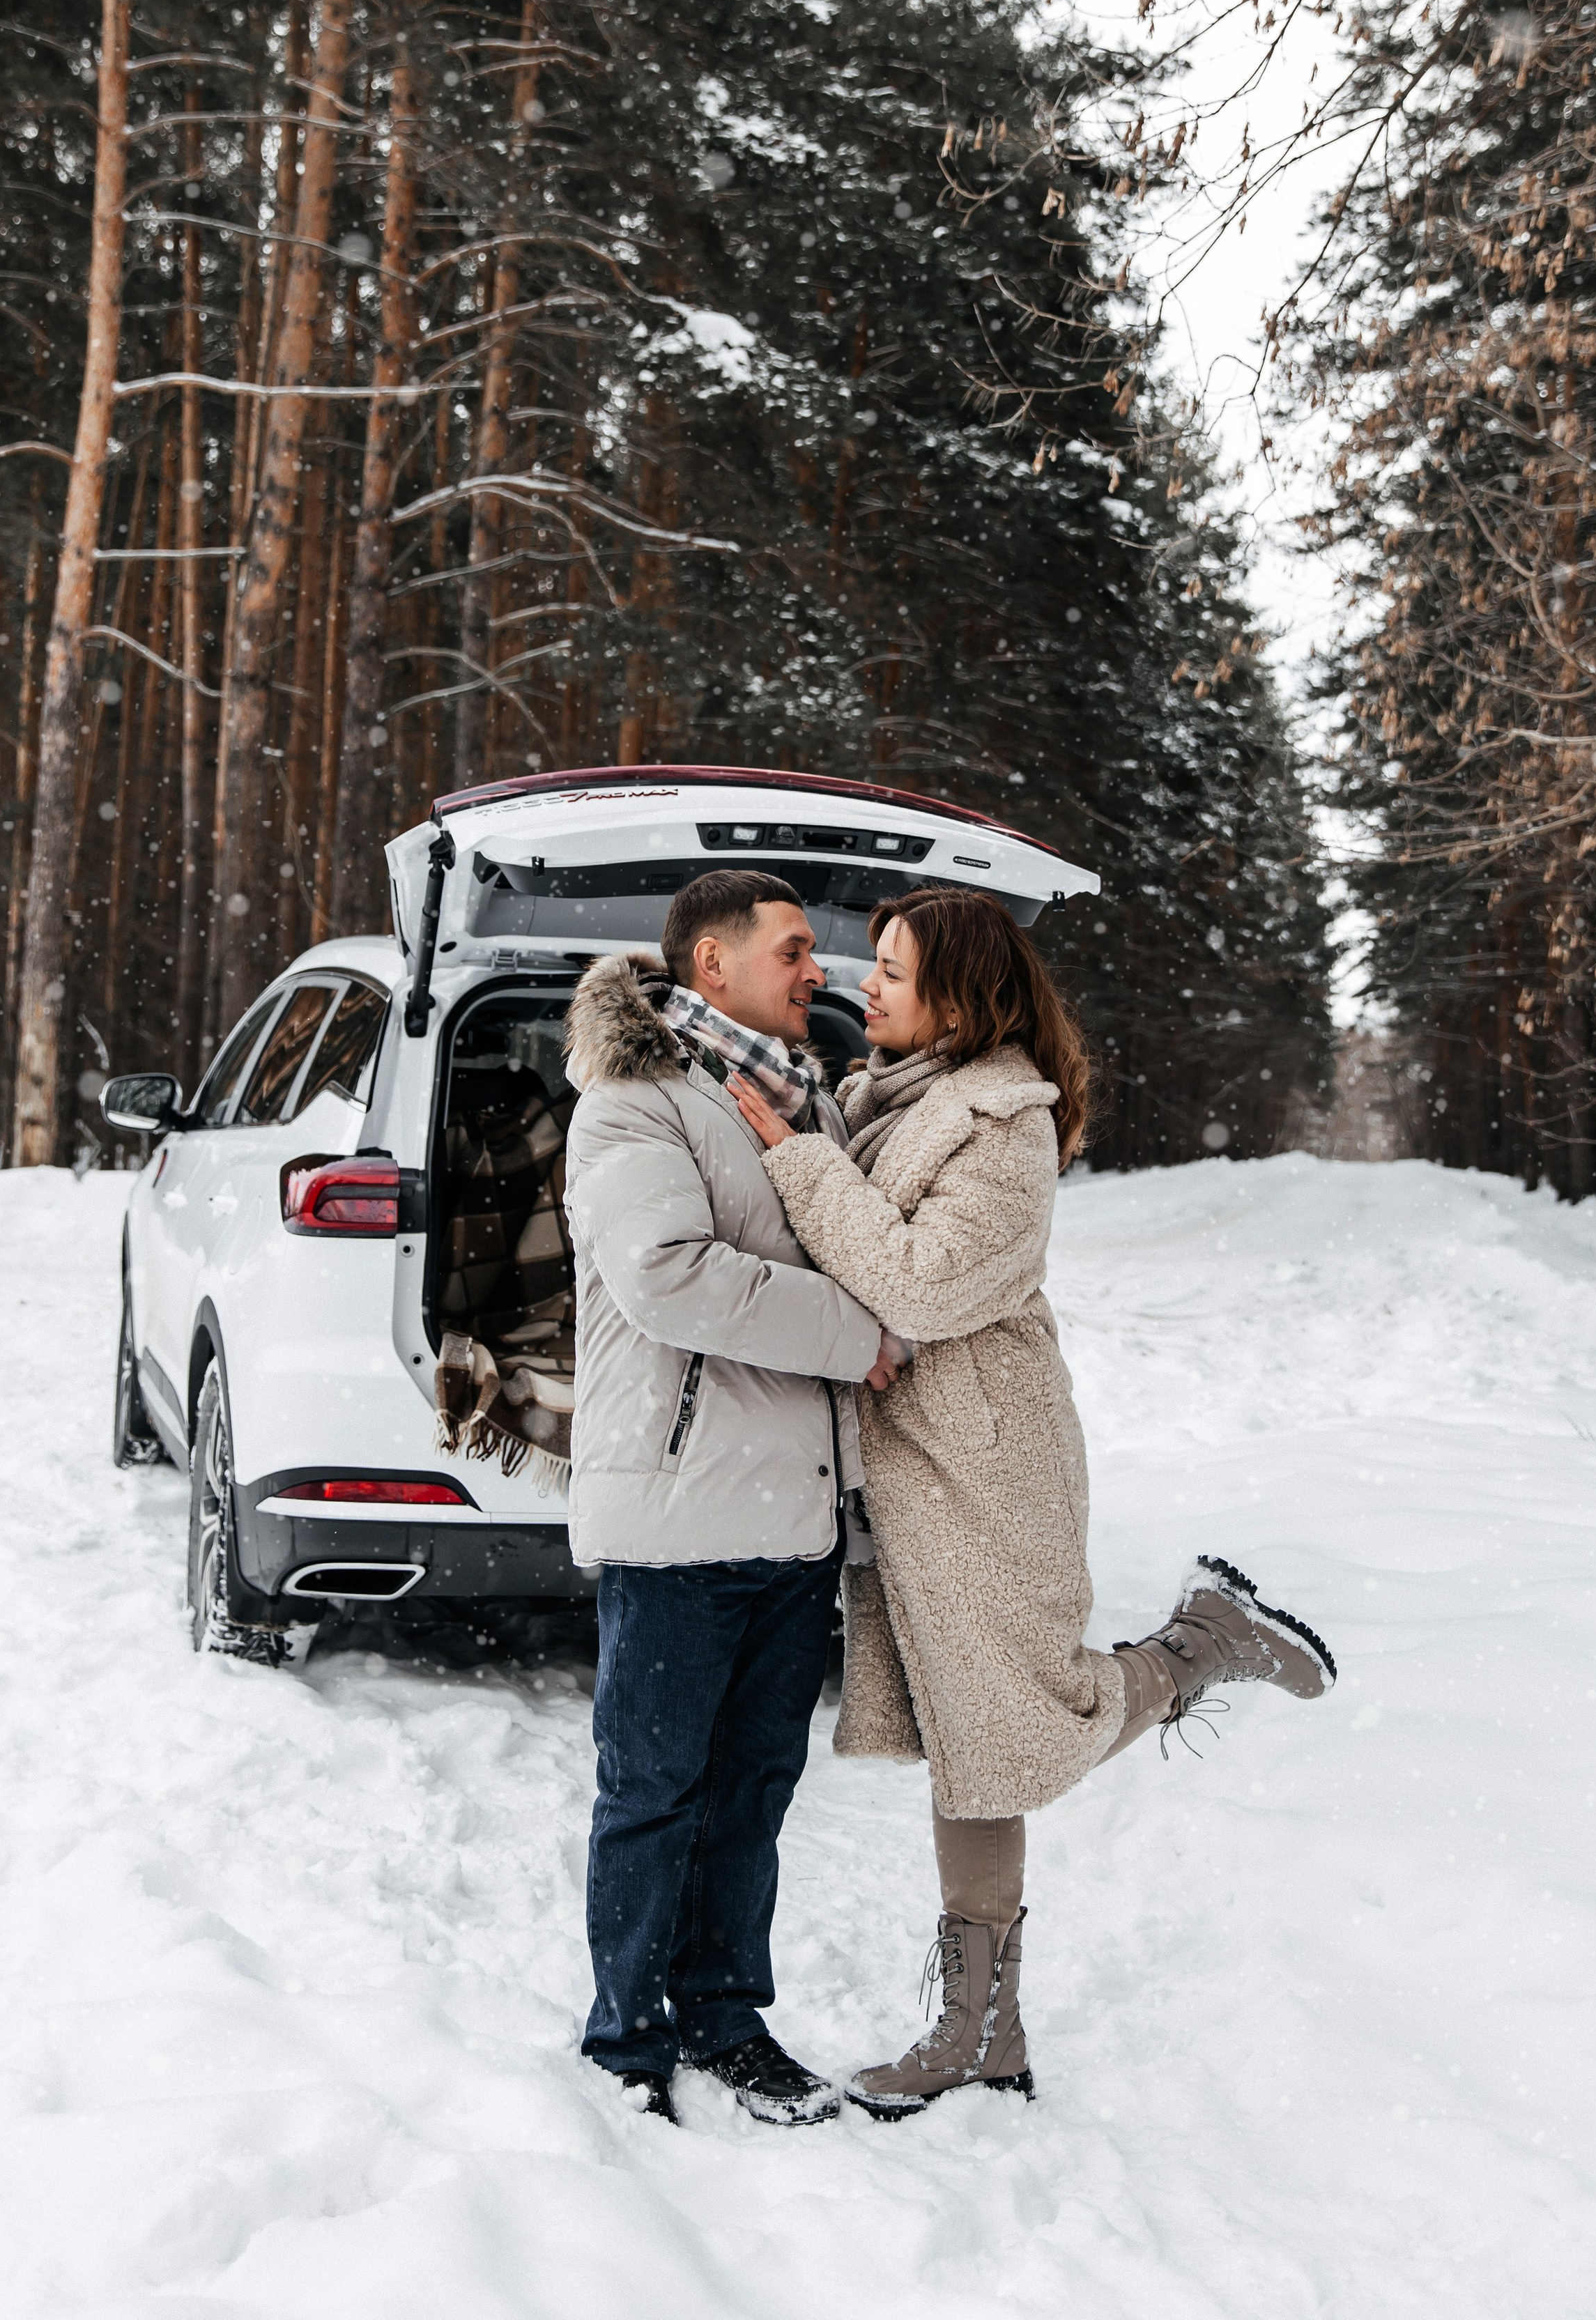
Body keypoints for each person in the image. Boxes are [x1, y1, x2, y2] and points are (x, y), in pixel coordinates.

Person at [728, 884, 1335, 2120]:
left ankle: (1196, 1650)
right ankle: (981, 2037)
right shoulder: (883, 1095)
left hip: (986, 1469)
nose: (866, 985)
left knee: (1010, 1729)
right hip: (912, 1467)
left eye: (891, 970)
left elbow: (919, 1281)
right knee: (976, 1748)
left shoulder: (1001, 1125)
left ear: (960, 996)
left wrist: (795, 1158)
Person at [562, 868, 905, 2128]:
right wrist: (855, 1326)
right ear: (712, 967)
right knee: (654, 1792)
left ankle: (725, 2015)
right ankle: (628, 2040)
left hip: (797, 1517)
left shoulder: (807, 1099)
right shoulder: (635, 1104)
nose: (823, 969)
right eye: (797, 948)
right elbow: (666, 1276)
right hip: (683, 1509)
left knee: (755, 1790)